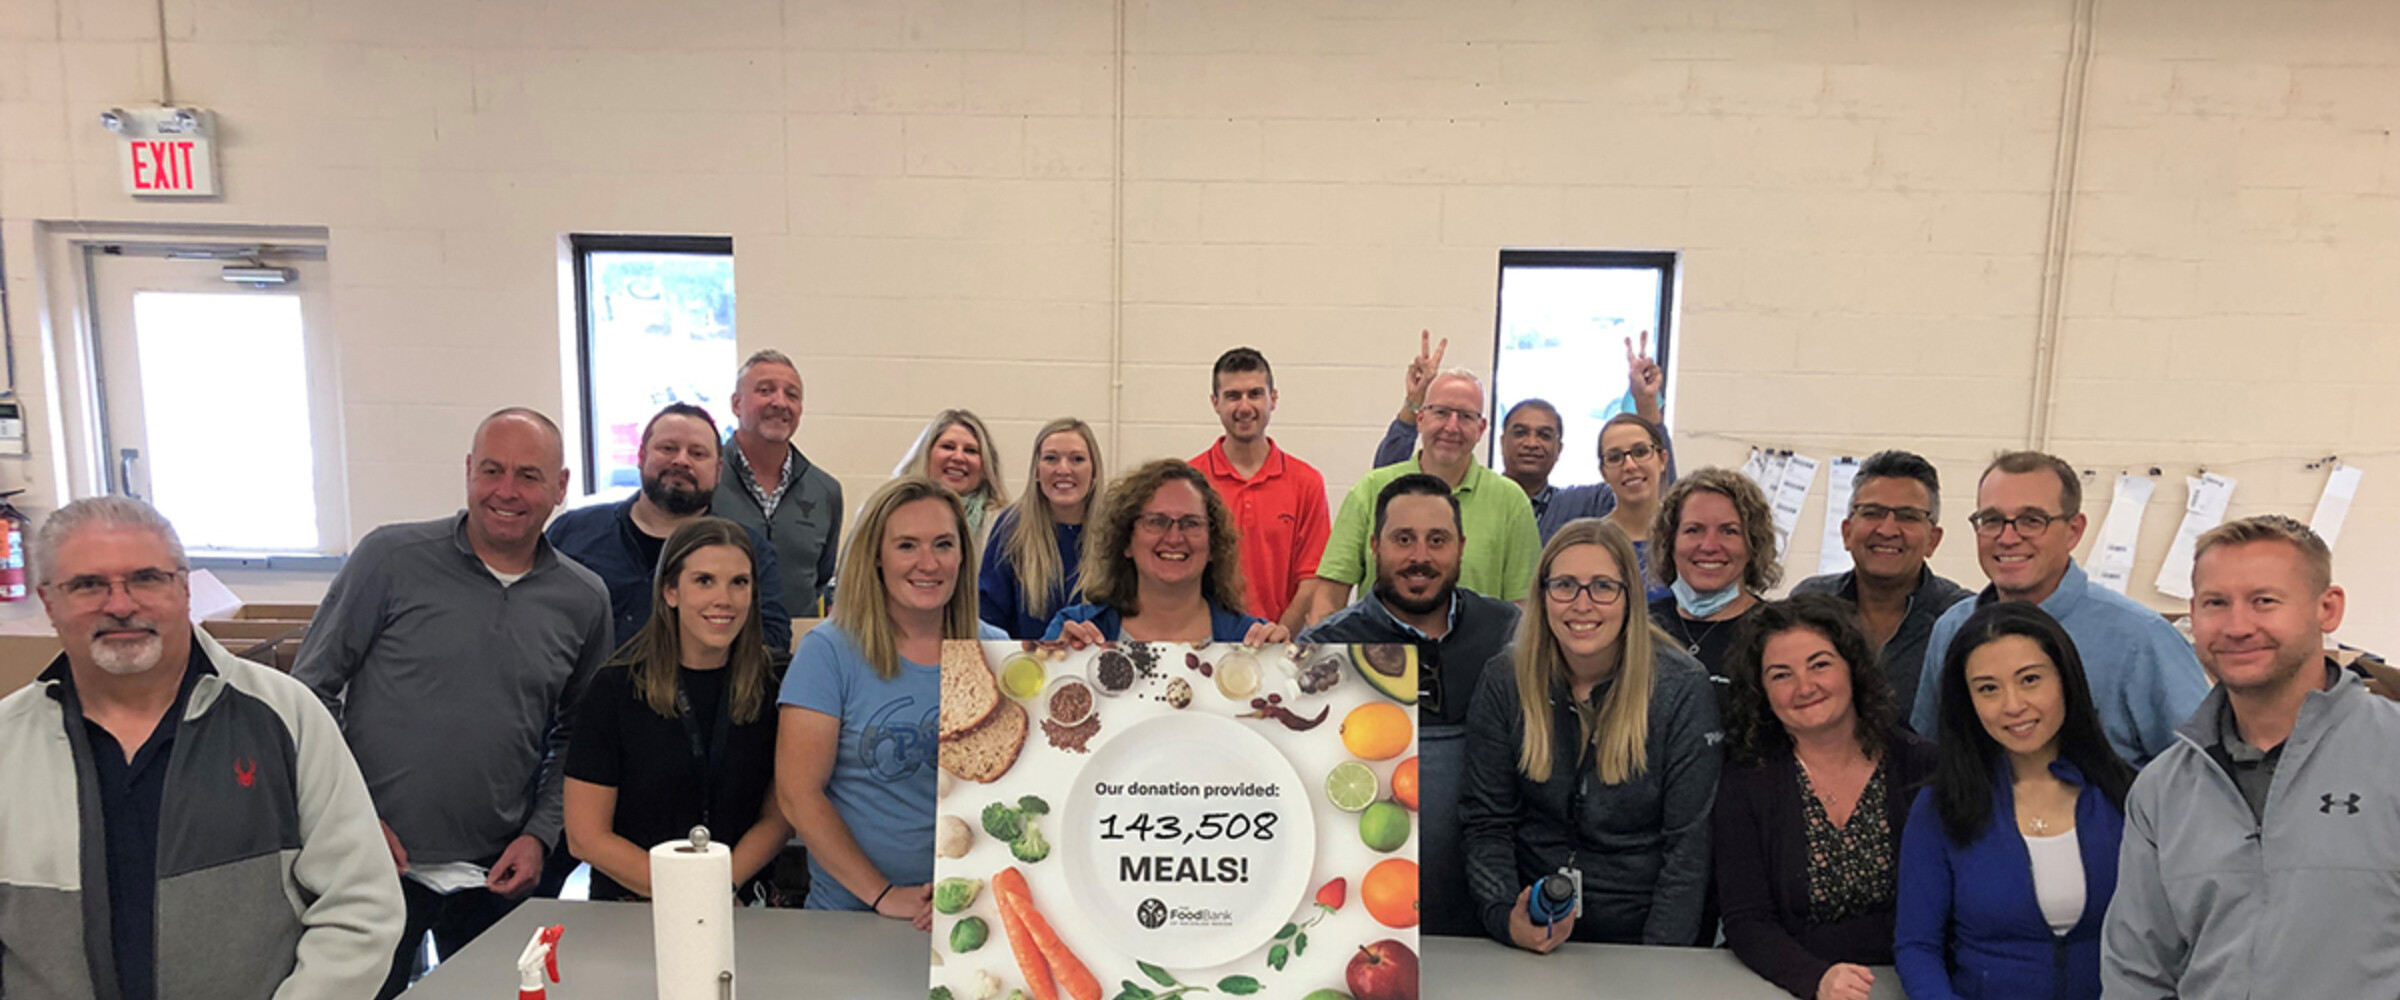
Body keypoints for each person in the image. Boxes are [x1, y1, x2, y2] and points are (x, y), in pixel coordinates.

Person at [0, 497, 403, 1000]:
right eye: (88, 585)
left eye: (147, 578)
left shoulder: (284, 717)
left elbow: (360, 904)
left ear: (184, 588)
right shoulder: (7, 743)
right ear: (48, 601)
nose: (120, 605)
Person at [291, 407, 613, 1000]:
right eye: (491, 470)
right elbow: (310, 692)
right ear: (468, 471)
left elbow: (581, 734)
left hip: (496, 872)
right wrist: (352, 818)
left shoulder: (583, 598)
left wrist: (540, 835)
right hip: (371, 864)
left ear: (560, 486)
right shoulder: (390, 559)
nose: (506, 491)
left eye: (528, 476)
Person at [2103, 516, 2400, 998]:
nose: (2237, 627)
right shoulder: (2163, 790)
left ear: (2327, 608)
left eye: (2264, 601)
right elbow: (2137, 974)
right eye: (2216, 603)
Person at [1461, 519, 1720, 950]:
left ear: (1630, 597)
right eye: (1564, 585)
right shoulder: (1506, 678)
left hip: (1641, 936)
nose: (1582, 605)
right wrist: (1506, 917)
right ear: (1542, 595)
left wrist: (1658, 964)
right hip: (1534, 923)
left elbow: (1688, 849)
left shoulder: (1680, 687)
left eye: (1603, 586)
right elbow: (1486, 822)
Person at [1297, 474, 1521, 938]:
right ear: (1374, 547)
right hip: (1372, 911)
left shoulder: (1509, 633)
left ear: (1461, 547)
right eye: (1403, 539)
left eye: (1437, 540)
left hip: (1496, 914)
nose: (1420, 556)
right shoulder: (1325, 649)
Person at [777, 477, 1003, 922]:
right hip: (853, 917)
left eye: (943, 545)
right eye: (906, 546)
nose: (928, 563)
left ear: (962, 554)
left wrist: (1076, 658)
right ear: (876, 557)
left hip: (971, 914)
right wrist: (883, 895)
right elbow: (797, 794)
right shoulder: (829, 651)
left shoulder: (996, 651)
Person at [1894, 602, 2134, 1000]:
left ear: (2065, 679)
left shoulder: (2128, 795)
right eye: (1988, 688)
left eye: (2030, 680)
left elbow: (2167, 938)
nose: (2013, 705)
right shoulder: (1941, 806)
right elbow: (1918, 947)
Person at [1910, 452, 2208, 766]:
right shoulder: (1951, 628)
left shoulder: (2141, 639)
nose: (2008, 538)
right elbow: (1931, 753)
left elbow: (2200, 768)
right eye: (1992, 520)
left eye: (2032, 521)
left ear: (2073, 531)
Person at [1714, 595, 1937, 1000]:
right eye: (1781, 675)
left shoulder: (1921, 767)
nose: (1805, 687)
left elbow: (1944, 911)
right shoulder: (1747, 781)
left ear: (1853, 667)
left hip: (1910, 981)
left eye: (1820, 665)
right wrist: (1815, 978)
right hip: (1791, 983)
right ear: (1761, 691)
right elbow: (1747, 919)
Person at [564, 518, 791, 902]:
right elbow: (586, 836)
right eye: (704, 581)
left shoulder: (778, 683)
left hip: (738, 900)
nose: (724, 599)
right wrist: (686, 894)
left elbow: (780, 815)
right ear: (670, 591)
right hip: (635, 905)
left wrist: (722, 887)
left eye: (739, 582)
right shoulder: (614, 688)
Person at [1373, 332, 1675, 544]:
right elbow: (1388, 480)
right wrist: (1414, 403)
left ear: (1559, 449)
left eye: (1544, 435)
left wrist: (1647, 403)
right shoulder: (1474, 494)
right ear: (1500, 441)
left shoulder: (1582, 505)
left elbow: (1659, 489)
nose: (1532, 443)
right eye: (1520, 433)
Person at [547, 403, 792, 652]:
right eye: (668, 448)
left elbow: (773, 640)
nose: (681, 461)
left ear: (718, 470)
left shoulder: (748, 550)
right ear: (641, 456)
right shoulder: (572, 532)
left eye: (697, 453)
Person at [1309, 366, 1539, 624]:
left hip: (1478, 651)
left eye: (1465, 416)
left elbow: (1522, 611)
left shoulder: (1511, 502)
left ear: (1481, 428)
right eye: (1441, 413)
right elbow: (1328, 598)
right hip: (1381, 649)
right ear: (1420, 419)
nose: (1451, 427)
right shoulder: (1371, 490)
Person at [1791, 450, 1973, 720]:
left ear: (1933, 540)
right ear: (1846, 532)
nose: (1887, 530)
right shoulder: (1808, 603)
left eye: (1908, 516)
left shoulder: (1962, 618)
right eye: (1872, 513)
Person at [1047, 459, 1287, 645]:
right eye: (1157, 521)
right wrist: (1054, 666)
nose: (1174, 538)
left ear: (1213, 545)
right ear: (1126, 540)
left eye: (1191, 523)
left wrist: (1283, 668)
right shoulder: (1075, 631)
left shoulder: (1252, 640)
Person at [1192, 347, 1332, 632]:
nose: (1245, 407)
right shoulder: (1191, 481)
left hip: (1279, 640)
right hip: (1205, 643)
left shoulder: (1306, 482)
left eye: (1255, 394)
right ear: (1215, 403)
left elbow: (1312, 578)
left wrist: (1278, 637)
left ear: (1273, 399)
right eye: (1233, 396)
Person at [713, 348, 843, 617]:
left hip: (794, 640)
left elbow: (820, 577)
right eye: (765, 390)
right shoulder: (707, 481)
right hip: (717, 637)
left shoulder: (825, 491)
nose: (780, 402)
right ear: (736, 404)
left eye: (791, 395)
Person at [1649, 467, 1781, 698]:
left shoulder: (1777, 633)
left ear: (1753, 544)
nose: (1709, 546)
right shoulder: (1641, 627)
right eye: (1694, 530)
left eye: (1729, 531)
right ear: (1670, 542)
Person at [980, 418, 1103, 639]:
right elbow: (989, 618)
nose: (1063, 469)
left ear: (1093, 471)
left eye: (1077, 459)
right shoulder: (1010, 528)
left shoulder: (1114, 531)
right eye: (1051, 458)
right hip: (1024, 659)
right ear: (1036, 471)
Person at [895, 408, 1008, 546]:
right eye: (948, 447)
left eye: (970, 450)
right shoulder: (890, 514)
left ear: (986, 467)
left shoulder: (1004, 526)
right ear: (925, 455)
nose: (958, 457)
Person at [1594, 412, 1676, 601]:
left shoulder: (1687, 538)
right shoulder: (1592, 543)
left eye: (1640, 452)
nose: (1629, 466)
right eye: (1614, 457)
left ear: (1662, 460)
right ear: (1603, 473)